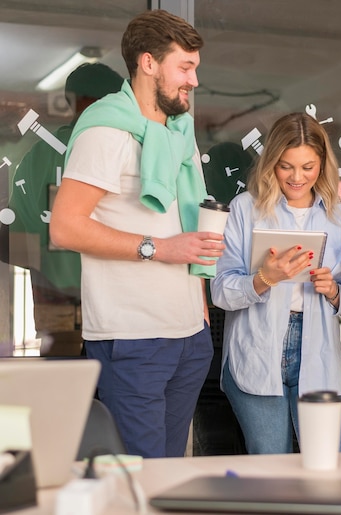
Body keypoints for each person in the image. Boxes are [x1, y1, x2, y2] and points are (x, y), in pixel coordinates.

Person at [49, 9, 222, 458]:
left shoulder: (178, 132)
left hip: (188, 335)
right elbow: (66, 228)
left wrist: (199, 315)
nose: (194, 81)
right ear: (149, 63)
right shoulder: (106, 131)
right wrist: (159, 249)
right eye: (185, 67)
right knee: (138, 484)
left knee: (166, 477)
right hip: (133, 339)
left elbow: (182, 225)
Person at [210, 112, 341, 454]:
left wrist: (335, 291)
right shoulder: (245, 209)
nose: (297, 177)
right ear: (270, 163)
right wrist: (265, 279)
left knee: (333, 465)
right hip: (255, 350)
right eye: (286, 166)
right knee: (270, 469)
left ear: (323, 165)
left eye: (308, 167)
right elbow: (220, 291)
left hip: (319, 354)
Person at [7, 63, 123, 356]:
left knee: (63, 387)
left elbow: (19, 236)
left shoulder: (39, 156)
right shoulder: (121, 147)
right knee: (113, 386)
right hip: (114, 300)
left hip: (53, 300)